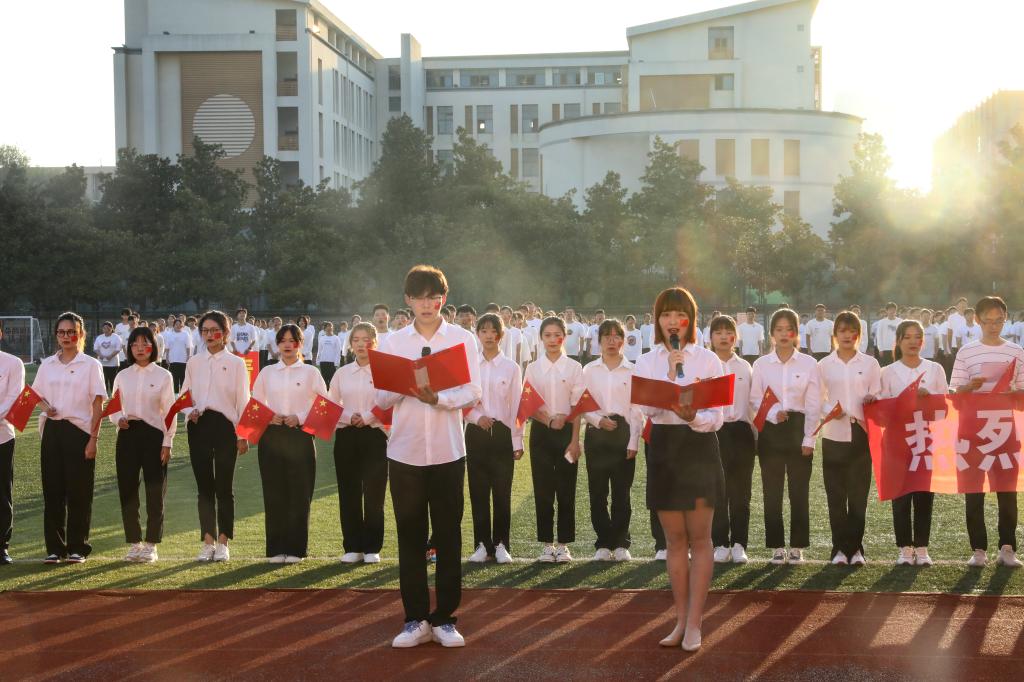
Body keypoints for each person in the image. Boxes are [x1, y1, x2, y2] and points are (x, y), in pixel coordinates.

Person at [377, 265, 481, 649]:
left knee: (449, 535)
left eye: (433, 297)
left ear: (443, 298)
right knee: (410, 536)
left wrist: (440, 398)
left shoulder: (461, 339)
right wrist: (406, 385)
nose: (426, 304)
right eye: (419, 297)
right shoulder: (392, 342)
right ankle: (415, 619)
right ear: (408, 300)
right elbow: (380, 397)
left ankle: (445, 619)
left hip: (447, 450)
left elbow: (473, 391)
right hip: (404, 452)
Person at [633, 287, 725, 652]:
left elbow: (718, 416)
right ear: (658, 320)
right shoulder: (647, 360)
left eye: (680, 315)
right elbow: (646, 408)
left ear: (691, 319)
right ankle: (680, 620)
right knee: (674, 540)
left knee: (700, 538)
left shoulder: (708, 360)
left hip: (699, 448)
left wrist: (693, 418)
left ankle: (695, 624)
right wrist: (671, 377)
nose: (673, 322)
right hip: (664, 449)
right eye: (666, 315)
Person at [950, 296, 1024, 568]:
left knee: (1007, 490)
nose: (994, 326)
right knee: (974, 489)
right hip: (973, 430)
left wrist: (1013, 392)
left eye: (999, 320)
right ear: (978, 321)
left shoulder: (1016, 351)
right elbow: (954, 394)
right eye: (988, 321)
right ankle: (978, 549)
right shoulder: (966, 352)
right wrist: (970, 386)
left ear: (1006, 319)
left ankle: (1007, 548)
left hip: (1004, 429)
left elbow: (1023, 395)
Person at [33, 312, 106, 564]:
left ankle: (78, 547)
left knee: (79, 492)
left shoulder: (91, 365)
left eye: (71, 332)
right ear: (56, 335)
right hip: (52, 431)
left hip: (80, 431)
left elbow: (97, 404)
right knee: (52, 491)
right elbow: (35, 394)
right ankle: (55, 548)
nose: (66, 336)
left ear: (81, 334)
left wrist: (93, 439)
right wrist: (46, 407)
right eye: (62, 332)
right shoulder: (47, 365)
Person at [751, 308, 821, 565]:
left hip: (799, 428)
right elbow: (754, 398)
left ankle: (798, 546)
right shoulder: (761, 364)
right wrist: (772, 414)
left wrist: (809, 439)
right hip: (771, 431)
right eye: (779, 329)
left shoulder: (809, 364)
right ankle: (777, 546)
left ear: (796, 333)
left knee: (799, 492)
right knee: (772, 491)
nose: (783, 334)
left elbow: (813, 404)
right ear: (771, 334)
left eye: (788, 329)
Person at [251, 324, 326, 564]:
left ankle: (296, 549)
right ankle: (276, 549)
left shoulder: (311, 372)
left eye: (292, 340)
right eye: (282, 340)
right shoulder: (267, 372)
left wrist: (300, 417)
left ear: (300, 344)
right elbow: (255, 403)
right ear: (276, 344)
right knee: (274, 492)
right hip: (272, 437)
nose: (287, 345)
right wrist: (268, 416)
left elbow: (324, 405)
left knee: (300, 492)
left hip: (300, 436)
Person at [181, 310, 251, 563]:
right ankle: (208, 541)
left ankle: (223, 542)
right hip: (199, 425)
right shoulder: (194, 362)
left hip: (225, 427)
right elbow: (184, 395)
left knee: (224, 487)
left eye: (215, 330)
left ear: (225, 333)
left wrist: (242, 434)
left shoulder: (236, 363)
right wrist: (189, 411)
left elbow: (243, 400)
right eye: (205, 331)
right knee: (204, 488)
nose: (210, 335)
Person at [879, 319, 947, 566]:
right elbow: (881, 413)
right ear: (898, 341)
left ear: (923, 340)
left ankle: (922, 547)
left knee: (924, 494)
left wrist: (928, 400)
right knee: (900, 495)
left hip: (924, 440)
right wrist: (902, 400)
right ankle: (905, 548)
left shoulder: (935, 369)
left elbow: (944, 410)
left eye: (917, 337)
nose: (913, 342)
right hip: (896, 441)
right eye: (907, 337)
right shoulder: (887, 372)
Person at [816, 311, 881, 566]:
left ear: (859, 335)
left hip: (861, 434)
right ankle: (839, 550)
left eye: (852, 331)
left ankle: (856, 549)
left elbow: (878, 393)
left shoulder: (871, 364)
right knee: (836, 495)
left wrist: (873, 399)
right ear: (835, 334)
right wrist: (830, 410)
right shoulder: (824, 365)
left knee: (858, 496)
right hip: (833, 434)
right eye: (842, 330)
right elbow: (817, 399)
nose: (847, 335)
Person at [109, 326, 176, 563]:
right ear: (129, 348)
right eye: (135, 344)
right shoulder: (122, 375)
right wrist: (118, 419)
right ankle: (135, 542)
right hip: (127, 435)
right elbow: (114, 407)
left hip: (154, 436)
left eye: (145, 343)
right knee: (128, 490)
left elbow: (170, 411)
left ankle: (151, 544)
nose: (140, 348)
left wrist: (167, 442)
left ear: (153, 347)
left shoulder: (163, 376)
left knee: (155, 491)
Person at [524, 316, 584, 564]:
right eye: (547, 335)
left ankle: (563, 545)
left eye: (557, 335)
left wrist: (575, 440)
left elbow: (578, 407)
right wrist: (549, 420)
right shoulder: (532, 368)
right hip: (541, 433)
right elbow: (528, 404)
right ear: (541, 338)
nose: (552, 339)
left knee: (566, 489)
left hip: (567, 434)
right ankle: (547, 545)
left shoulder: (574, 368)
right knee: (543, 489)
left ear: (564, 337)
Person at [465, 314, 524, 565]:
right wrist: (476, 417)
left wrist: (517, 441)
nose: (489, 335)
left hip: (501, 434)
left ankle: (501, 545)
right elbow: (461, 399)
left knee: (502, 491)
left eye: (493, 331)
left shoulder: (511, 367)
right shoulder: (470, 366)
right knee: (478, 491)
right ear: (477, 334)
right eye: (484, 331)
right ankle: (481, 545)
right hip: (475, 433)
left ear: (501, 335)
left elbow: (517, 407)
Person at [582, 318, 642, 562]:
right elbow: (582, 403)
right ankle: (603, 543)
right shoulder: (589, 370)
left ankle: (620, 542)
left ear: (623, 341)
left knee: (621, 492)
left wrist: (633, 441)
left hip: (622, 431)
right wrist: (598, 421)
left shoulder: (632, 370)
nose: (611, 341)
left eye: (617, 336)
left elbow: (637, 409)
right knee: (597, 492)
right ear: (599, 341)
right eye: (606, 336)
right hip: (596, 433)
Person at [330, 322, 389, 564]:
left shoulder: (383, 371)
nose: (361, 344)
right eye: (356, 340)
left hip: (375, 435)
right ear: (351, 343)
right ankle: (352, 546)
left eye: (366, 339)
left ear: (374, 342)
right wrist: (350, 417)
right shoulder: (342, 373)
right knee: (349, 491)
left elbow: (389, 402)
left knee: (374, 492)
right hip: (346, 435)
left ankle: (372, 547)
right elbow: (330, 403)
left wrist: (366, 417)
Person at [708, 315, 755, 565]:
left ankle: (739, 543)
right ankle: (720, 543)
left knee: (741, 491)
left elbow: (754, 404)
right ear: (710, 337)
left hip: (741, 432)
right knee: (718, 491)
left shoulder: (745, 367)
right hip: (714, 431)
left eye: (728, 332)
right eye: (718, 332)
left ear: (735, 338)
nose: (724, 337)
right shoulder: (706, 366)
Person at [0, 320, 24, 565]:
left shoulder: (13, 363)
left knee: (2, 493)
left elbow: (14, 398)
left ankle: (2, 546)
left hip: (2, 437)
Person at [164, 317, 194, 393]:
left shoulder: (185, 334)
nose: (178, 326)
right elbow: (167, 348)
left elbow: (188, 347)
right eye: (176, 324)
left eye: (180, 324)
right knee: (174, 378)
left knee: (183, 378)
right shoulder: (169, 334)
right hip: (173, 359)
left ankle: (183, 394)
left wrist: (188, 356)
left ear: (182, 325)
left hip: (183, 360)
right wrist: (167, 358)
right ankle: (175, 394)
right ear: (173, 325)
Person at [94, 322, 123, 393]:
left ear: (111, 328)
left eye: (108, 328)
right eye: (104, 328)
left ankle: (113, 395)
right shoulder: (99, 337)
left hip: (113, 364)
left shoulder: (116, 337)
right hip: (102, 363)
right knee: (103, 380)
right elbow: (95, 348)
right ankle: (105, 395)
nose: (106, 329)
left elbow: (118, 348)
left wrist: (110, 356)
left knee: (113, 380)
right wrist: (100, 355)